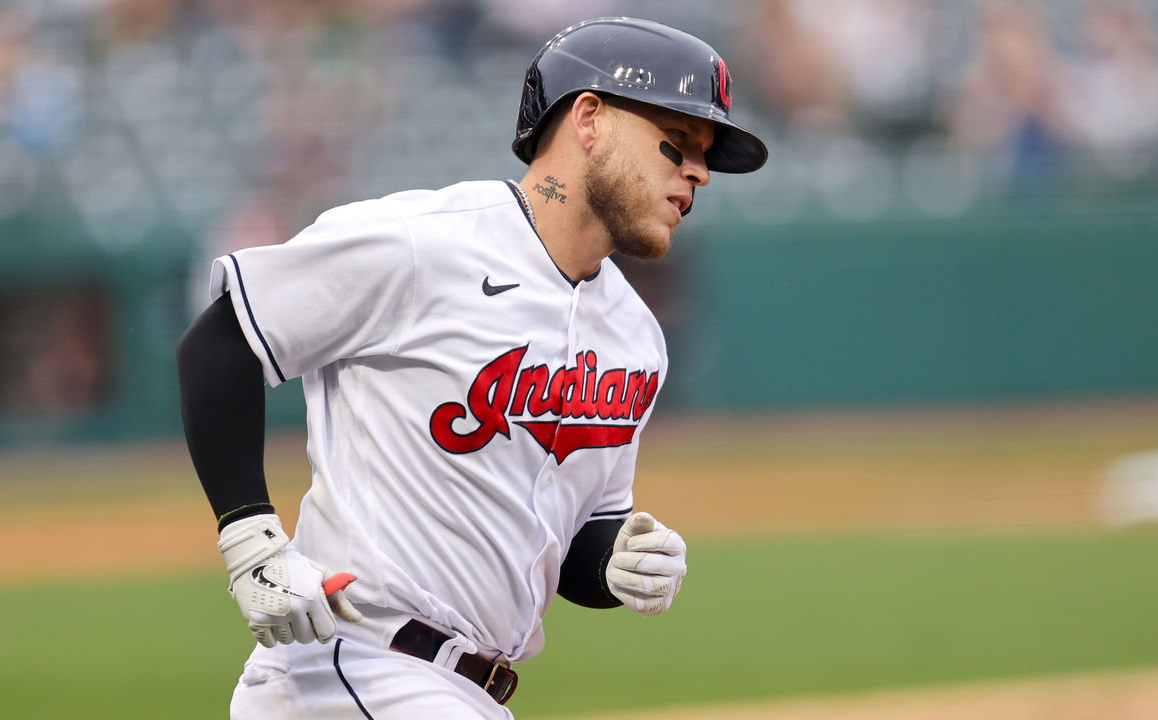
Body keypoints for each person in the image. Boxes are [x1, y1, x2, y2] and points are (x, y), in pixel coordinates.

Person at [176, 16, 767, 719]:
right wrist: (251, 539)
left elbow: (578, 537)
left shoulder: (637, 337)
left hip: (460, 691)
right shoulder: (425, 243)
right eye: (679, 142)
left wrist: (616, 562)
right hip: (354, 666)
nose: (698, 172)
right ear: (588, 119)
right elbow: (221, 342)